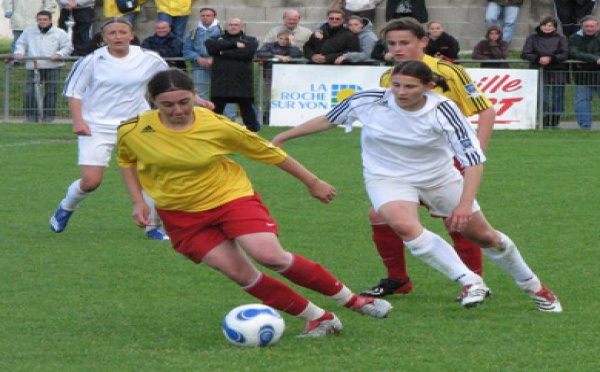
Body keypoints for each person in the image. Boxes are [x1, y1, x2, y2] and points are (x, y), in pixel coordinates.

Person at [116, 68, 394, 337]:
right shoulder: (133, 130)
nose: (177, 110)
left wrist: (312, 181)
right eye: (168, 105)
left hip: (229, 198)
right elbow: (126, 159)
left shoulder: (216, 125)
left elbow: (268, 152)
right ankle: (319, 319)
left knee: (270, 255)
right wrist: (138, 201)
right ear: (153, 102)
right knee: (240, 273)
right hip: (180, 215)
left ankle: (355, 301)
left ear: (195, 95)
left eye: (184, 102)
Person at [272, 60, 562, 313]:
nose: (401, 92)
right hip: (387, 178)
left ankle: (534, 286)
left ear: (428, 86)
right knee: (404, 226)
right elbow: (328, 119)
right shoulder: (368, 100)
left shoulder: (444, 110)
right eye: (396, 85)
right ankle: (470, 280)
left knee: (486, 237)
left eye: (409, 87)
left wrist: (464, 203)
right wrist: (285, 136)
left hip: (439, 177)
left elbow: (473, 160)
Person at [298, 17, 496, 300]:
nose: (397, 49)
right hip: (401, 164)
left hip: (443, 159)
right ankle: (398, 279)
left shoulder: (450, 71)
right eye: (392, 44)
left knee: (457, 221)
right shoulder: (388, 77)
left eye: (404, 43)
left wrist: (474, 155)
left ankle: (473, 281)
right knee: (379, 214)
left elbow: (485, 111)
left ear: (423, 42)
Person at [48, 17, 213, 240]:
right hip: (97, 125)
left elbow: (170, 81)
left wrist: (196, 99)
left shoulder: (148, 58)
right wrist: (78, 121)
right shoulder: (91, 61)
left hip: (138, 125)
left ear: (131, 35)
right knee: (91, 181)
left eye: (122, 32)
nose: (118, 36)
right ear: (104, 38)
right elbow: (74, 92)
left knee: (151, 176)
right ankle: (66, 207)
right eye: (112, 33)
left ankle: (151, 226)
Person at [14, 10, 72, 123]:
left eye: (45, 19)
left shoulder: (59, 33)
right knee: (29, 91)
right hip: (34, 65)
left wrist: (59, 54)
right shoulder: (29, 32)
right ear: (37, 20)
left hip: (53, 66)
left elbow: (67, 47)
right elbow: (21, 43)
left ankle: (48, 118)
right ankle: (31, 117)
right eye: (40, 19)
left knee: (51, 92)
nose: (42, 22)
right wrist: (19, 53)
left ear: (50, 20)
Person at [205, 17, 260, 132]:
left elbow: (246, 54)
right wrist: (235, 45)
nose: (233, 27)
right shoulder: (215, 38)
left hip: (242, 81)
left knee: (247, 111)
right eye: (230, 24)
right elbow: (211, 48)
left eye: (236, 25)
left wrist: (222, 52)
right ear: (226, 26)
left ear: (242, 26)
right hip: (221, 82)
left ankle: (253, 133)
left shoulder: (250, 40)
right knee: (215, 111)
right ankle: (211, 132)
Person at [182, 7, 235, 120]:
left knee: (225, 92)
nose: (205, 18)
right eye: (203, 16)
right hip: (199, 66)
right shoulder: (193, 33)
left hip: (221, 66)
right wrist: (197, 58)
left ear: (214, 16)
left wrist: (216, 58)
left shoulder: (224, 32)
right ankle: (201, 118)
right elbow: (186, 50)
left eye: (208, 15)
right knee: (200, 92)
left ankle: (229, 119)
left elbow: (231, 48)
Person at [521, 15, 569, 129]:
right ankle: (545, 120)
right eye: (545, 25)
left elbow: (565, 53)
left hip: (557, 71)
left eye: (550, 25)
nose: (547, 27)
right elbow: (525, 53)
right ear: (540, 26)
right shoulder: (532, 38)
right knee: (543, 97)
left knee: (558, 97)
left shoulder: (561, 38)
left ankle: (555, 120)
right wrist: (538, 58)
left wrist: (551, 58)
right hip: (539, 70)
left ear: (555, 27)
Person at [568, 15, 600, 130]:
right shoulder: (574, 38)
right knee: (582, 101)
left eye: (592, 26)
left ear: (598, 26)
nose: (589, 29)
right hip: (582, 75)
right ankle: (585, 126)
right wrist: (595, 59)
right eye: (587, 26)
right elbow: (574, 53)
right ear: (582, 27)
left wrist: (587, 59)